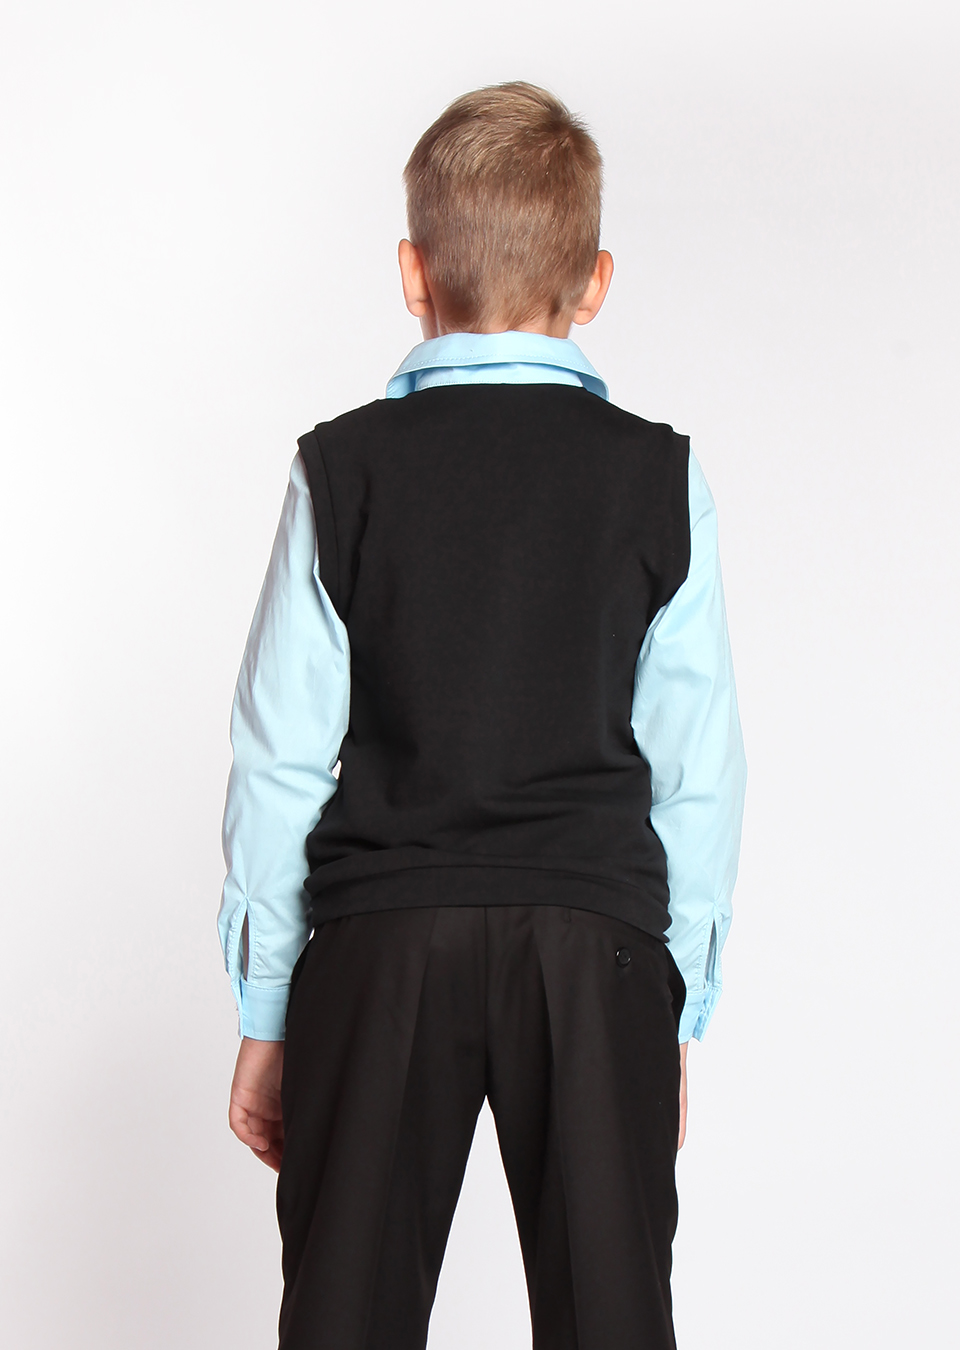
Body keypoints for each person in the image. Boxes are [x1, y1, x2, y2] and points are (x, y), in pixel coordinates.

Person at [218, 81, 747, 1350]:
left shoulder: (341, 469)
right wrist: (673, 1006)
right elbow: (697, 769)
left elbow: (280, 757)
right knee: (613, 1320)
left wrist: (267, 1009)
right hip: (596, 939)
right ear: (595, 282)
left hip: (384, 936)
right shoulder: (657, 475)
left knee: (344, 1321)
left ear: (412, 272)